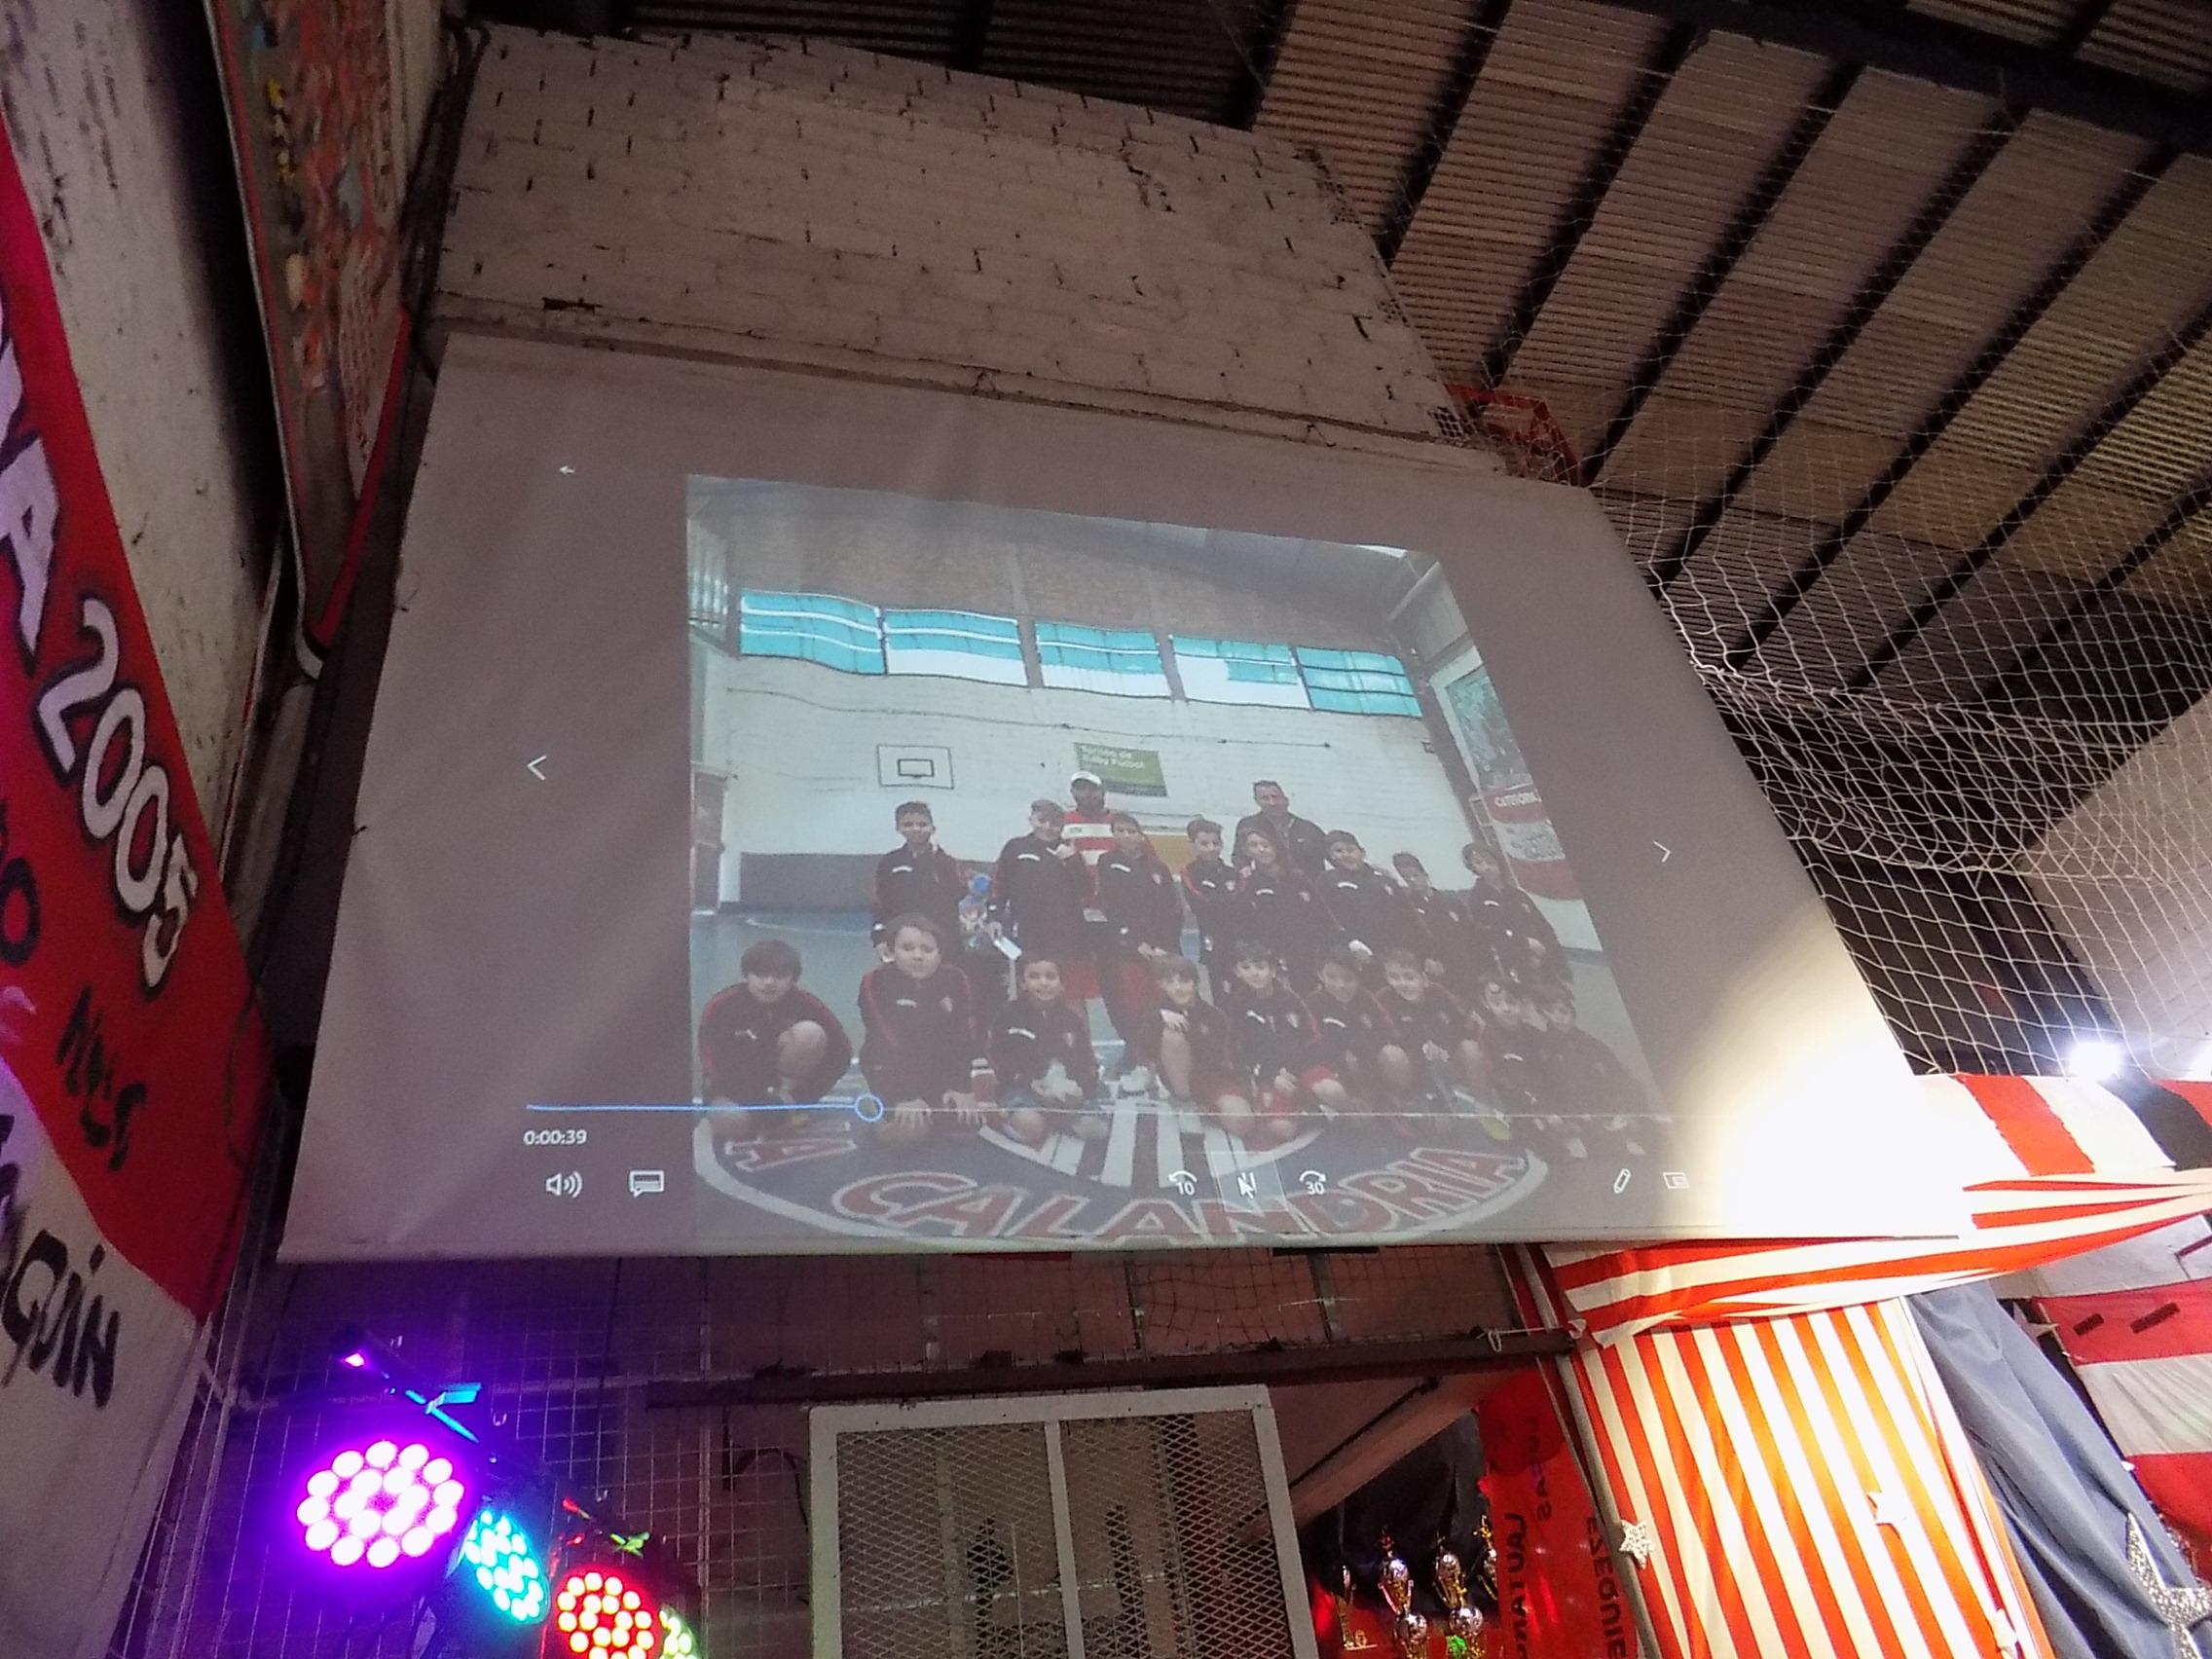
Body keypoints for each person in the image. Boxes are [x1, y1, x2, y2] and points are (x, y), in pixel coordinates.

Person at [858, 913, 982, 1150]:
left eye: (927, 949)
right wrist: (905, 1096)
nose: (918, 956)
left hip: (937, 1070)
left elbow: (963, 1035)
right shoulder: (875, 981)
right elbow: (886, 1040)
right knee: (909, 1135)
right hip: (889, 1071)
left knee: (964, 1125)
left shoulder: (955, 979)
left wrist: (961, 1087)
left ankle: (935, 1107)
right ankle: (878, 1108)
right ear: (891, 952)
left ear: (939, 955)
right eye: (907, 948)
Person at [696, 938, 853, 1115]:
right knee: (729, 1118)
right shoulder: (721, 1006)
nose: (769, 982)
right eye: (760, 974)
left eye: (779, 976)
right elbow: (709, 1059)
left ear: (793, 978)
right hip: (733, 1088)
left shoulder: (808, 1005)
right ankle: (769, 1117)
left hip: (783, 1089)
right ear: (746, 975)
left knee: (810, 1034)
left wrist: (805, 1096)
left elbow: (842, 1053)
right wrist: (745, 1095)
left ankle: (786, 1108)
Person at [1220, 940, 1342, 1143]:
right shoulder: (1237, 1006)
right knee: (1281, 1130)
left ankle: (1334, 1108)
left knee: (1333, 1091)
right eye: (1246, 968)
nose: (1254, 973)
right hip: (1267, 1074)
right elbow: (1236, 1051)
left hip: (1300, 1067)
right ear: (1237, 972)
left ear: (1273, 971)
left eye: (1260, 967)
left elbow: (1312, 1039)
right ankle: (1305, 1111)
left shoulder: (1291, 1000)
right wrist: (1269, 1075)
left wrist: (1292, 1071)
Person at [988, 952, 1104, 1148]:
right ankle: (1024, 1119)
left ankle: (1056, 1118)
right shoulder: (1008, 1015)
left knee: (1097, 1130)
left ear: (1061, 983)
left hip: (1064, 1091)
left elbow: (1087, 1061)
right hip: (1023, 1088)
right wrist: (1029, 1082)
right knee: (1030, 1127)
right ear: (1022, 983)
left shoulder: (1073, 1018)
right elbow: (998, 1059)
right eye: (1034, 977)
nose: (1043, 983)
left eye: (1050, 977)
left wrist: (1080, 1089)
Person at [1128, 954, 1251, 1136]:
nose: (1178, 988)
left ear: (1195, 983)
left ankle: (1206, 1108)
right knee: (1172, 1034)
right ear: (1161, 985)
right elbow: (1143, 1051)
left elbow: (1233, 1058)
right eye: (1170, 982)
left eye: (1184, 981)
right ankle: (1184, 1103)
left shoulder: (1215, 1017)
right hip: (1180, 1080)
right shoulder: (1154, 1015)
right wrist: (1159, 1018)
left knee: (1242, 1123)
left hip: (1213, 1079)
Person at [990, 799, 1097, 1000]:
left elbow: (1087, 890)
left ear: (1062, 826)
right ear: (1031, 820)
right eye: (1042, 821)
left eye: (1054, 824)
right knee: (1028, 988)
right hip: (1027, 932)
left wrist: (1072, 861)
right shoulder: (1016, 847)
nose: (1047, 827)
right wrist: (994, 917)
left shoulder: (1070, 852)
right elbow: (999, 884)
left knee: (1067, 993)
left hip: (1065, 937)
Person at [1095, 811, 1183, 1042]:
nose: (1127, 836)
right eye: (1121, 831)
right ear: (1113, 834)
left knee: (1165, 1000)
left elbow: (1172, 909)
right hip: (1129, 948)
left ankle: (1164, 1049)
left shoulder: (1157, 867)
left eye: (1132, 831)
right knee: (1133, 1003)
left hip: (1160, 949)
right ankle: (1135, 1048)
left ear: (1142, 835)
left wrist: (1165, 946)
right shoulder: (1108, 863)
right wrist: (1134, 942)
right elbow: (1111, 907)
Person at [1528, 984, 1644, 1158]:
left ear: (1572, 1010)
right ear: (1543, 1014)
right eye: (1551, 1011)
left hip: (1606, 1117)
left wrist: (1626, 1111)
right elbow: (1541, 1088)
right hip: (1571, 1124)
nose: (1559, 1017)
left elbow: (1619, 1077)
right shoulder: (1541, 1049)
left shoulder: (1592, 1045)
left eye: (1563, 1010)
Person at [1374, 947, 1483, 1117]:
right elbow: (1383, 1039)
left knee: (1471, 1049)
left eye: (1409, 977)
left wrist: (1444, 1046)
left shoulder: (1439, 993)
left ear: (1424, 979)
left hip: (1446, 1059)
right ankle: (1414, 1103)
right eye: (1394, 977)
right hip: (1413, 1068)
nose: (1402, 984)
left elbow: (1466, 1025)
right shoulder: (1383, 1000)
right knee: (1391, 1054)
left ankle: (1484, 1104)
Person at [1460, 841, 1564, 996]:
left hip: (1543, 958)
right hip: (1513, 963)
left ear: (1499, 863)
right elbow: (1489, 934)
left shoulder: (1517, 894)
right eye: (1479, 863)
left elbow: (1542, 925)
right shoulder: (1477, 898)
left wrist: (1556, 956)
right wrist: (1525, 943)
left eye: (1490, 862)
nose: (1486, 867)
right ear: (1473, 868)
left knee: (1555, 999)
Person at [871, 800, 966, 959]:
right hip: (901, 937)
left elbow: (962, 895)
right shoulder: (889, 862)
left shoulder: (946, 862)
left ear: (933, 828)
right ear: (898, 828)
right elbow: (879, 903)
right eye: (908, 824)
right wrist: (879, 938)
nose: (916, 829)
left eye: (922, 824)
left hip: (943, 939)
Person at [1237, 824, 1323, 986]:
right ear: (1246, 851)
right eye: (1254, 845)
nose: (1261, 850)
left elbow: (1318, 910)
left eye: (1266, 845)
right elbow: (1243, 917)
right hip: (1267, 951)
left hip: (1302, 949)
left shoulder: (1297, 876)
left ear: (1275, 847)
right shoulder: (1246, 880)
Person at [1308, 947, 1391, 1110]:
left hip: (1368, 1066)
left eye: (1348, 978)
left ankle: (1395, 1102)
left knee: (1392, 1055)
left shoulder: (1367, 1000)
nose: (1340, 985)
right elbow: (1312, 1046)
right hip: (1334, 1069)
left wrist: (1358, 1050)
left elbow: (1386, 1033)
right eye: (1331, 977)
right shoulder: (1312, 1004)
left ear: (1358, 978)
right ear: (1320, 975)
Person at [1316, 830, 1410, 973]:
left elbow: (1405, 914)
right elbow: (1327, 916)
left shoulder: (1384, 879)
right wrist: (1352, 943)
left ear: (1362, 852)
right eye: (1338, 851)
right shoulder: (1327, 880)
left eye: (1350, 850)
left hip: (1392, 949)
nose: (1346, 855)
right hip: (1353, 950)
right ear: (1331, 856)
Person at [1178, 816, 1241, 994]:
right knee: (1219, 987)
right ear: (1193, 845)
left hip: (1237, 939)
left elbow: (1240, 903)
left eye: (1216, 843)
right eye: (1204, 844)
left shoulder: (1232, 873)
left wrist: (1222, 901)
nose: (1211, 848)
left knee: (1241, 987)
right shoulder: (1189, 872)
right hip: (1212, 937)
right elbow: (1199, 904)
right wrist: (1224, 901)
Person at [1393, 852, 1472, 991]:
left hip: (1465, 962)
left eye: (1415, 876)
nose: (1412, 881)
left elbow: (1469, 930)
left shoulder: (1450, 900)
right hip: (1436, 968)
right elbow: (1410, 939)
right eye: (1406, 878)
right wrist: (1427, 958)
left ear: (1425, 875)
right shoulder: (1406, 908)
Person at [1234, 780, 1330, 880]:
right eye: (1265, 798)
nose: (1272, 803)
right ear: (1257, 801)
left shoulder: (1308, 829)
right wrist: (1244, 868)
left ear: (1286, 800)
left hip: (1310, 882)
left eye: (1275, 797)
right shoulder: (1249, 825)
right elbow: (1239, 856)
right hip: (1270, 883)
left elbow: (1332, 854)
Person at [1063, 770, 1119, 871]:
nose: (1087, 794)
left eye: (1093, 789)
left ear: (1103, 791)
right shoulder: (1063, 821)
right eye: (1081, 789)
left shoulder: (1120, 821)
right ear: (1072, 792)